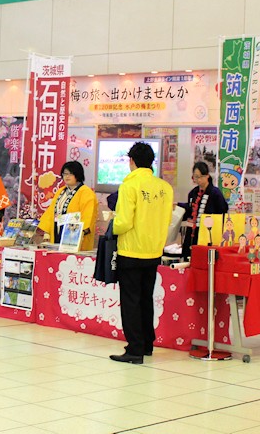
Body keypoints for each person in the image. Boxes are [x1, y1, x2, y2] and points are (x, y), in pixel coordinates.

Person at [110, 142, 173, 365]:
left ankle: (134, 349)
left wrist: (113, 226)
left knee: (130, 301)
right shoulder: (165, 187)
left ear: (132, 161)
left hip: (131, 250)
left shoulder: (130, 186)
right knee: (146, 298)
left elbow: (124, 222)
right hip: (154, 250)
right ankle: (147, 344)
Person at [37, 161, 97, 251]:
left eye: (70, 174)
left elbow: (89, 216)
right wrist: (47, 233)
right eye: (65, 174)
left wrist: (78, 235)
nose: (67, 176)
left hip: (75, 239)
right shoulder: (60, 191)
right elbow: (51, 213)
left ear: (78, 175)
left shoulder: (87, 193)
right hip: (57, 234)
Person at [179, 161, 228, 257]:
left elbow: (222, 212)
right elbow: (190, 209)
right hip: (192, 232)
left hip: (208, 234)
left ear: (207, 176)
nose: (198, 180)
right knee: (188, 256)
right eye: (195, 177)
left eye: (200, 176)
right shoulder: (193, 193)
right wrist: (178, 206)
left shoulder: (215, 193)